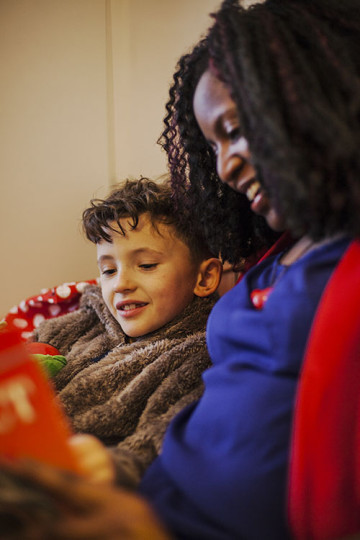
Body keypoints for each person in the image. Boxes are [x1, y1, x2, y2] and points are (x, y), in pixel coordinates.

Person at [1, 1, 360, 538]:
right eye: (212, 144)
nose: (224, 166)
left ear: (315, 97)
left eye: (236, 130)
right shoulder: (277, 251)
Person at [30, 177, 222, 487]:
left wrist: (117, 467)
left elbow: (160, 440)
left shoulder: (199, 356)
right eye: (108, 270)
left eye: (146, 265)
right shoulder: (79, 323)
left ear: (205, 277)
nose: (120, 284)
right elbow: (27, 356)